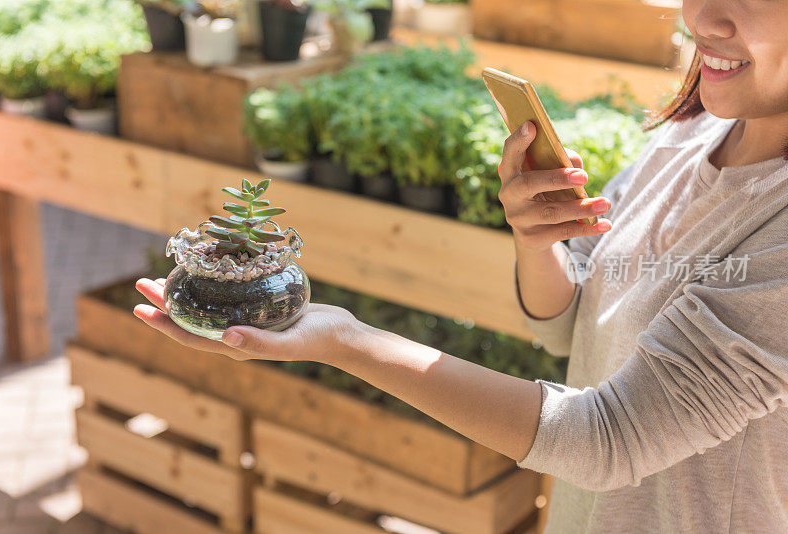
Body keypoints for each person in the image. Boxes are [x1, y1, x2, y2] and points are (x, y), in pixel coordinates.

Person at [133, 1, 788, 531]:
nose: (704, 17)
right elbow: (566, 331)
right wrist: (537, 239)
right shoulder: (689, 135)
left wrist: (344, 339)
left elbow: (606, 437)